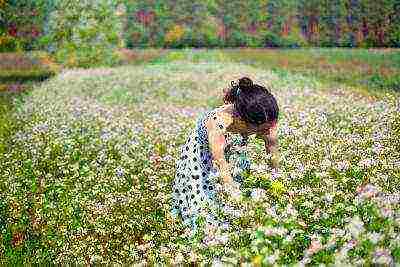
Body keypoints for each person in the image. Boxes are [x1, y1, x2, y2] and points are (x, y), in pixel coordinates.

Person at [171, 76, 279, 235]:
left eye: (270, 125)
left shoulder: (265, 116)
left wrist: (276, 185)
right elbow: (221, 167)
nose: (267, 131)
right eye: (262, 129)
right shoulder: (219, 123)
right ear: (243, 121)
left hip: (234, 156)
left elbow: (272, 151)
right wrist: (235, 197)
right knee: (203, 211)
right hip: (203, 162)